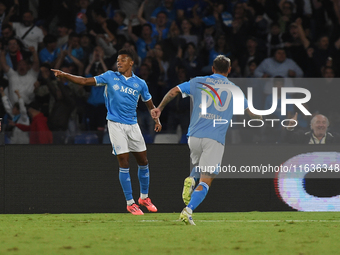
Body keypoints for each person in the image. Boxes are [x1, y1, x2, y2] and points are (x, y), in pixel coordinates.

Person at [151, 55, 262, 225]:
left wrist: (159, 108)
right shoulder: (234, 89)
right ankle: (188, 211)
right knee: (207, 179)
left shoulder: (198, 81)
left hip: (193, 137)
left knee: (201, 166)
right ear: (229, 70)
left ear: (212, 68)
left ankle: (191, 178)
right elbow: (252, 114)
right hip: (214, 139)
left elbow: (173, 91)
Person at [51, 49, 162, 215]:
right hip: (115, 124)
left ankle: (144, 198)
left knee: (143, 161)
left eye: (123, 60)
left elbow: (149, 104)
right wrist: (65, 75)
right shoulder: (110, 76)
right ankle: (130, 202)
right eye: (118, 60)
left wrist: (156, 119)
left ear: (131, 63)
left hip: (133, 125)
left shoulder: (140, 83)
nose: (119, 62)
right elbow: (84, 81)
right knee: (124, 160)